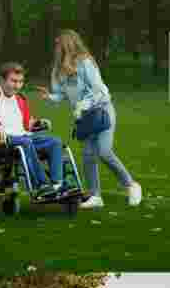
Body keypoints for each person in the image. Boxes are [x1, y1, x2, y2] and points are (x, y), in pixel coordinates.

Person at [31, 29, 142, 209]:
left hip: (102, 111)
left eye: (59, 44)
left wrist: (84, 104)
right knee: (88, 155)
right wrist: (50, 97)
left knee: (104, 151)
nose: (56, 48)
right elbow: (62, 94)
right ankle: (95, 195)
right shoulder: (58, 69)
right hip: (83, 117)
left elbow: (99, 90)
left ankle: (131, 185)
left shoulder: (85, 62)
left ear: (68, 45)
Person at [0, 62, 70, 199]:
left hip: (24, 137)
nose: (17, 85)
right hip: (1, 141)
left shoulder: (20, 99)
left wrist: (38, 123)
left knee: (55, 142)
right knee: (25, 142)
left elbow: (26, 124)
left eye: (20, 82)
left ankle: (57, 185)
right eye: (13, 81)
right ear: (2, 80)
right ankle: (41, 185)